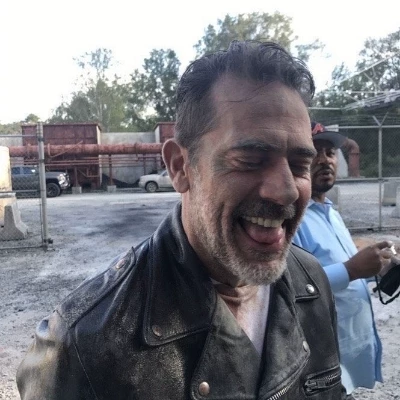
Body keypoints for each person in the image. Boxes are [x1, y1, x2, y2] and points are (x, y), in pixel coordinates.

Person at [17, 41, 346, 399]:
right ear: (180, 167)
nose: (286, 191)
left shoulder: (310, 282)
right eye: (250, 160)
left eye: (299, 165)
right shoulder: (84, 344)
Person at [293, 121, 394, 399]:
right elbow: (291, 288)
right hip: (319, 365)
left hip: (345, 355)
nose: (325, 160)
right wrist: (351, 270)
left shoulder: (331, 213)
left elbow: (347, 268)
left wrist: (380, 266)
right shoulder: (292, 219)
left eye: (330, 153)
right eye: (315, 152)